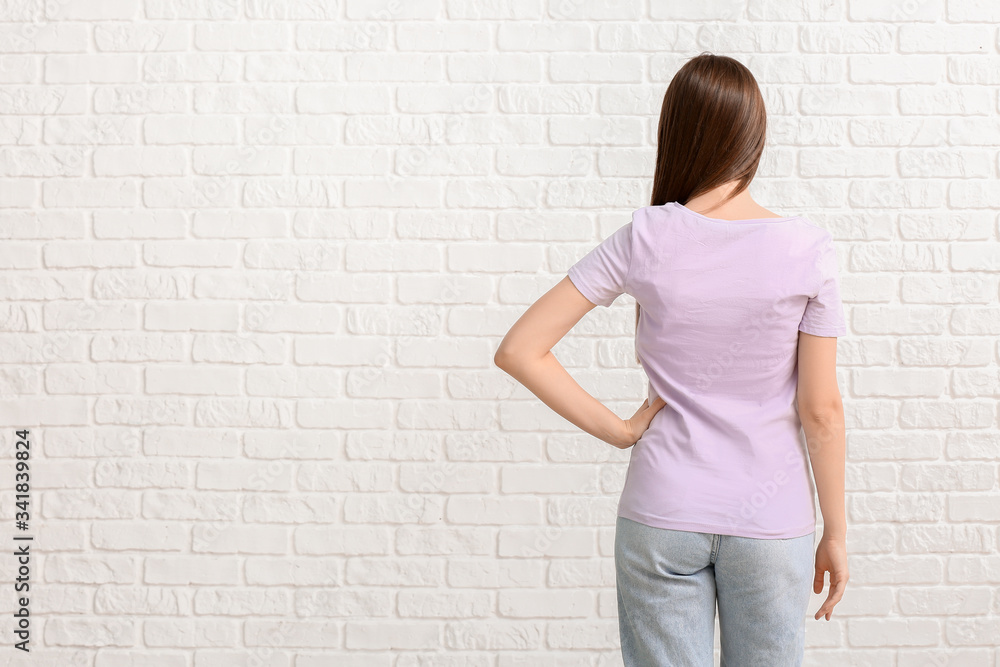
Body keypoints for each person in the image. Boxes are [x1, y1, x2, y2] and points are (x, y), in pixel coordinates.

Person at [494, 52, 849, 666]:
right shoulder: (806, 249)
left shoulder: (646, 236)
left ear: (676, 133)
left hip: (663, 512)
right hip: (771, 520)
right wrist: (837, 532)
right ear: (754, 137)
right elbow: (820, 409)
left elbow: (522, 349)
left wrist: (622, 431)